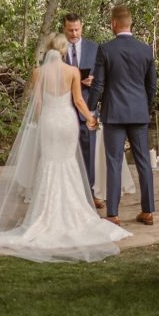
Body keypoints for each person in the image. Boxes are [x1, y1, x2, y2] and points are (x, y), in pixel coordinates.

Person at [0, 33, 128, 262]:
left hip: (50, 122)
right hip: (67, 121)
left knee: (49, 163)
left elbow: (38, 103)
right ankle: (73, 213)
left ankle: (43, 214)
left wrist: (42, 124)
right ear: (62, 50)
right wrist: (89, 117)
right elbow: (79, 101)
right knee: (68, 163)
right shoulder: (72, 72)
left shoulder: (38, 73)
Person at [89, 5, 157, 226]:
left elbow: (98, 84)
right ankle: (148, 212)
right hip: (138, 113)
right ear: (131, 23)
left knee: (114, 162)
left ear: (114, 24)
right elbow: (152, 86)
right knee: (143, 162)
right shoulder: (146, 50)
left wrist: (91, 108)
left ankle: (113, 214)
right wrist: (144, 108)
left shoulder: (106, 49)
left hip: (114, 113)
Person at [62, 12, 101, 207]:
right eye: (70, 30)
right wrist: (73, 82)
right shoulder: (57, 50)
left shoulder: (94, 48)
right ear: (64, 29)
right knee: (65, 154)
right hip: (64, 109)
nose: (74, 33)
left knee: (89, 153)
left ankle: (90, 194)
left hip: (87, 107)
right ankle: (68, 195)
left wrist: (93, 81)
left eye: (77, 29)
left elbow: (104, 76)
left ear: (82, 27)